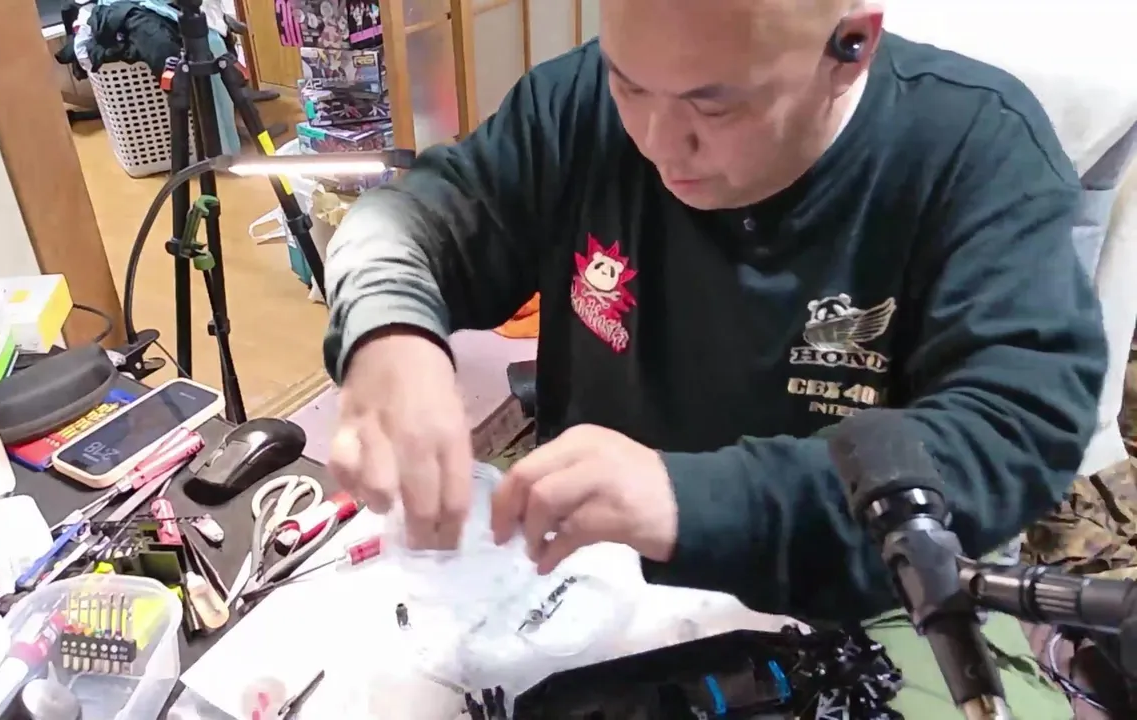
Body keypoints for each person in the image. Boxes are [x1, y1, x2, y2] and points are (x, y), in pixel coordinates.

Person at [319, 0, 1108, 622]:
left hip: (854, 601)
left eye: (716, 106)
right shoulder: (575, 105)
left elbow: (1011, 431)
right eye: (630, 84)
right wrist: (390, 332)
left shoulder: (973, 149)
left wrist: (693, 500)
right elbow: (411, 221)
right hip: (587, 580)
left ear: (851, 48)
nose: (660, 143)